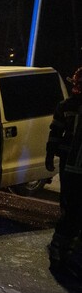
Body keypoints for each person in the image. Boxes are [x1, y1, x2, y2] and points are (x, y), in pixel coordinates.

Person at [45, 66, 82, 277]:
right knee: (70, 210)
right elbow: (55, 132)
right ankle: (60, 253)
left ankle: (70, 253)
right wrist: (50, 156)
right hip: (70, 167)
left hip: (75, 167)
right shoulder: (66, 106)